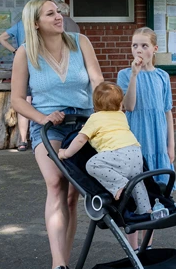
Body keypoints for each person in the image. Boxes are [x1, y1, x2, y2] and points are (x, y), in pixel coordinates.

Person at [9, 0, 104, 269]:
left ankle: (66, 265)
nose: (58, 16)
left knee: (75, 194)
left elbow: (96, 80)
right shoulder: (25, 53)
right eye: (50, 13)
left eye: (58, 11)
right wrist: (42, 118)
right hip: (47, 125)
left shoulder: (80, 42)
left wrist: (108, 108)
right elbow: (18, 100)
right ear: (35, 22)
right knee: (55, 183)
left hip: (83, 122)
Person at [117, 27, 175, 250]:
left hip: (158, 141)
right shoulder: (125, 74)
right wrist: (134, 75)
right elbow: (129, 105)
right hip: (136, 140)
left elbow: (167, 111)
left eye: (144, 45)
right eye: (134, 45)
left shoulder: (163, 76)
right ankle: (132, 247)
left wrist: (171, 145)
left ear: (154, 49)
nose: (138, 50)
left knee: (153, 196)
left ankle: (147, 246)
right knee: (134, 195)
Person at [58, 82, 152, 218]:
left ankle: (120, 185)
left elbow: (80, 139)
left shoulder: (94, 118)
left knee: (92, 164)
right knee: (137, 181)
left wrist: (65, 153)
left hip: (118, 155)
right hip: (136, 154)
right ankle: (146, 210)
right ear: (120, 104)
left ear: (95, 105)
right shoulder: (121, 115)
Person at [0, 19, 33, 151]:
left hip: (23, 62)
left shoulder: (20, 24)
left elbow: (1, 38)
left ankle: (23, 139)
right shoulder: (40, 22)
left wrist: (15, 51)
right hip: (40, 63)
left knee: (25, 101)